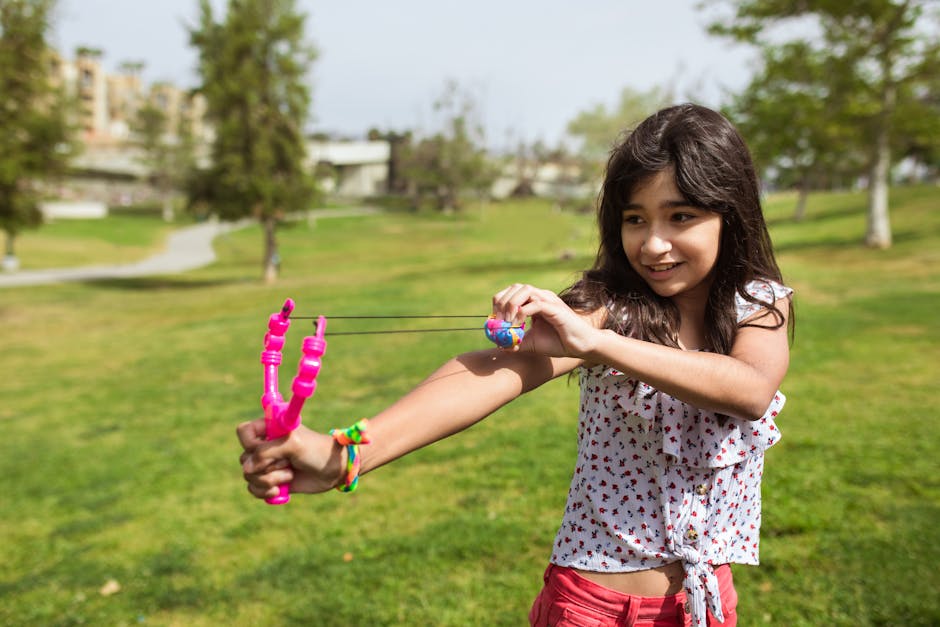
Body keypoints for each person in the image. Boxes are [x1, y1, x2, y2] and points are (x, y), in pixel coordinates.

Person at [237, 103, 793, 626]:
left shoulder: (760, 304)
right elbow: (494, 370)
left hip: (708, 604)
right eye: (635, 218)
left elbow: (749, 389)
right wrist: (344, 455)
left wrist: (598, 346)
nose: (653, 244)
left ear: (730, 213)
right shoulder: (606, 306)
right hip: (593, 607)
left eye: (681, 216)